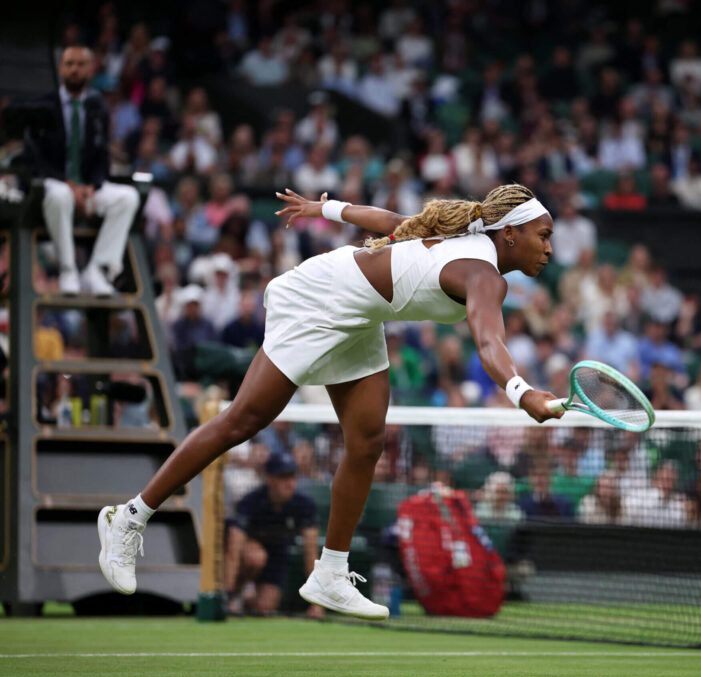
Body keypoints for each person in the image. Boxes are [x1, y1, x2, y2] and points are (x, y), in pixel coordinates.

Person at [97, 183, 562, 620]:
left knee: (366, 443)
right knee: (245, 419)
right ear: (510, 234)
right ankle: (129, 517)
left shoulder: (469, 246)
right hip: (321, 297)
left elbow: (392, 221)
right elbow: (489, 345)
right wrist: (523, 393)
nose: (549, 249)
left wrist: (325, 208)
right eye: (542, 236)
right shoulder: (483, 274)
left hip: (360, 315)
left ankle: (330, 573)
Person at [31, 45, 140, 295]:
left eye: (80, 64)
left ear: (91, 70)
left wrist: (92, 186)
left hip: (86, 187)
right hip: (52, 186)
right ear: (60, 68)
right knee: (59, 194)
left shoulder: (97, 107)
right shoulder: (42, 106)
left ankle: (98, 270)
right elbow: (34, 158)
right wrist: (71, 186)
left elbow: (102, 158)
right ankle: (68, 269)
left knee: (127, 198)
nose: (74, 69)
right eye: (69, 64)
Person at [223, 453, 322, 618]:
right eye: (283, 477)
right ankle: (231, 596)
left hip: (276, 554)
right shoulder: (251, 502)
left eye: (292, 477)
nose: (289, 483)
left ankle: (245, 599)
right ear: (269, 479)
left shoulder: (304, 505)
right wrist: (226, 596)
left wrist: (317, 604)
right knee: (255, 557)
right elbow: (233, 548)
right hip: (247, 554)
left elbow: (311, 554)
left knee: (266, 606)